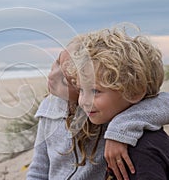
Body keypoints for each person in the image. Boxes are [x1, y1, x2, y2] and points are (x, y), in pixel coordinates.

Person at [26, 26, 169, 180]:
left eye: (65, 78)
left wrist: (120, 129)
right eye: (57, 62)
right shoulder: (50, 107)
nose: (52, 75)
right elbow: (38, 170)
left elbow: (161, 101)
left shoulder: (109, 111)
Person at [69, 26, 169, 179]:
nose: (84, 101)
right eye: (81, 90)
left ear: (134, 91)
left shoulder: (140, 151)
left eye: (95, 91)